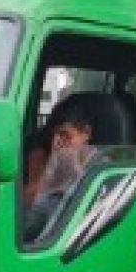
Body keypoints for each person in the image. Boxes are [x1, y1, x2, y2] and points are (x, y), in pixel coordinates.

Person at [23, 99, 100, 241]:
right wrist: (52, 167)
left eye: (65, 135)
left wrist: (73, 169)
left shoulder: (100, 165)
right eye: (55, 134)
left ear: (86, 133)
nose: (58, 141)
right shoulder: (43, 155)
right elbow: (33, 209)